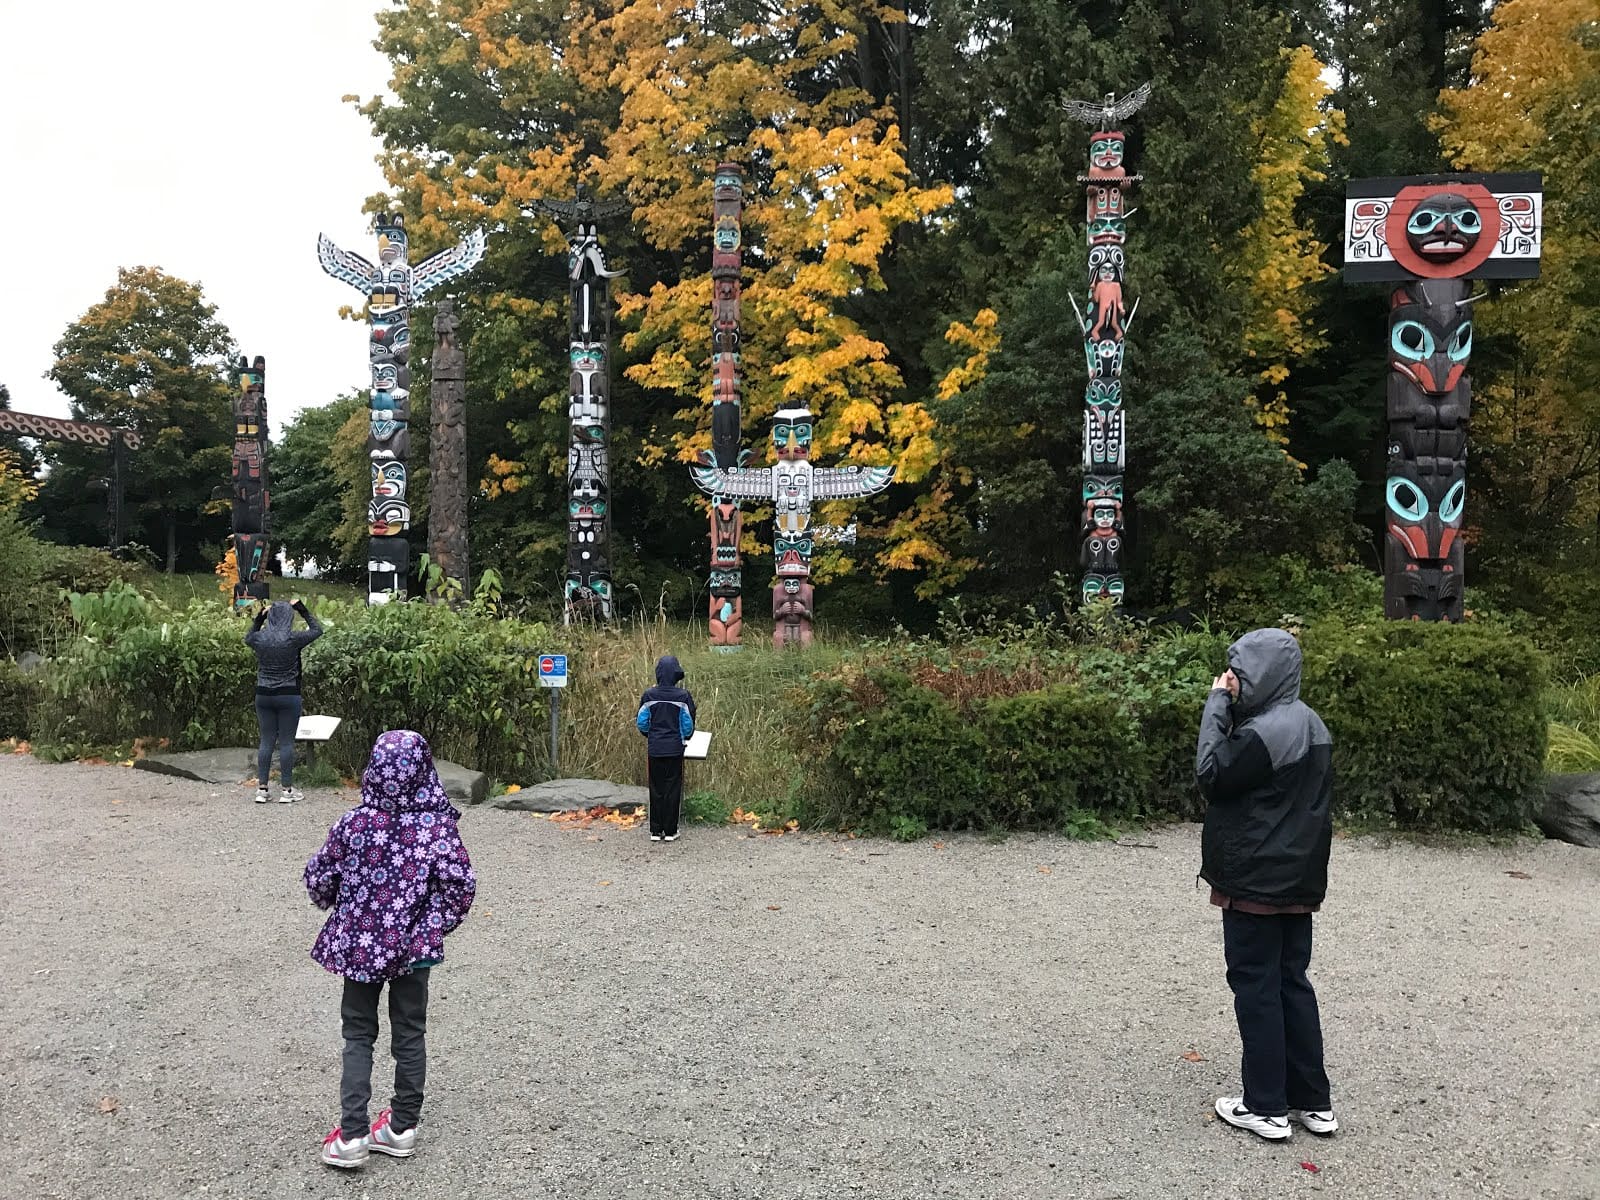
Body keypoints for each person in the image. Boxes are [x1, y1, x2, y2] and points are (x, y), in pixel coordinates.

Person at [303, 730, 476, 1170]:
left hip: (360, 947)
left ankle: (353, 1135)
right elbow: (459, 886)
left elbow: (319, 879)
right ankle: (401, 1127)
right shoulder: (438, 827)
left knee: (358, 1033)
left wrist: (340, 902)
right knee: (410, 1032)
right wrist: (431, 925)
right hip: (414, 950)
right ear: (424, 769)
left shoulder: (354, 824)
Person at [1195, 628, 1337, 1142]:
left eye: (1239, 671)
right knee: (1290, 983)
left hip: (1256, 878)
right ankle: (1312, 1102)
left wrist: (1216, 703)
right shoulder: (1310, 723)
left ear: (1261, 673)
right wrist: (1235, 706)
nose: (1232, 679)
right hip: (1298, 879)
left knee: (1256, 986)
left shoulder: (1265, 732)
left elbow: (1212, 772)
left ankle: (1265, 1107)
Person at [244, 598, 322, 803]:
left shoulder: (261, 638)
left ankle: (262, 789)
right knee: (287, 742)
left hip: (263, 694)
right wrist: (302, 610)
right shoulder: (293, 638)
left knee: (266, 740)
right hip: (289, 694)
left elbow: (248, 637)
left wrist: (260, 616)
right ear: (289, 617)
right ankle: (287, 791)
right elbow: (317, 630)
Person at [636, 654, 696, 842]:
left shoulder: (649, 695)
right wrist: (684, 737)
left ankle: (655, 830)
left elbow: (642, 722)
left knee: (656, 788)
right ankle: (670, 831)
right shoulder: (683, 696)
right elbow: (688, 725)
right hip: (675, 748)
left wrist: (651, 735)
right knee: (672, 787)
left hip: (655, 748)